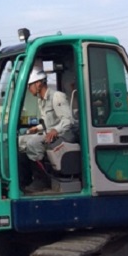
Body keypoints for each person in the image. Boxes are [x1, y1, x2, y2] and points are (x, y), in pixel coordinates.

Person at [19, 64, 74, 192]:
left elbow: (68, 120)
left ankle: (42, 179)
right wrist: (36, 128)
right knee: (20, 141)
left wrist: (56, 130)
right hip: (50, 132)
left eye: (29, 85)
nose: (28, 89)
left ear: (38, 83)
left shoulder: (57, 97)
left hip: (62, 134)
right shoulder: (41, 100)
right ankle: (25, 179)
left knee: (33, 143)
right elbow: (48, 122)